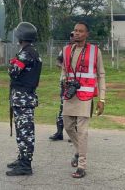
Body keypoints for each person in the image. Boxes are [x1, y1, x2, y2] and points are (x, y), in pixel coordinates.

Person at [62, 22, 105, 178]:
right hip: (70, 95)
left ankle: (82, 165)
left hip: (86, 96)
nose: (77, 33)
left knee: (82, 131)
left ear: (87, 34)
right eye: (75, 31)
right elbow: (64, 71)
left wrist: (102, 99)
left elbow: (101, 75)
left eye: (81, 31)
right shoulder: (67, 50)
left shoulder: (95, 51)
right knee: (67, 126)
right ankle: (79, 150)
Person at [6, 22, 42, 176]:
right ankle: (22, 159)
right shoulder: (31, 52)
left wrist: (11, 63)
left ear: (20, 36)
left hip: (23, 99)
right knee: (23, 131)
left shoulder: (25, 53)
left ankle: (25, 165)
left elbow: (13, 72)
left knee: (25, 132)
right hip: (25, 98)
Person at [49, 31, 74, 141]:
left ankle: (74, 134)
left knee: (76, 108)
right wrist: (64, 66)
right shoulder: (65, 49)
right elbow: (57, 62)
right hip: (65, 82)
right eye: (72, 35)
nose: (74, 36)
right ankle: (59, 132)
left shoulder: (83, 50)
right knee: (62, 107)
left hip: (77, 84)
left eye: (76, 34)